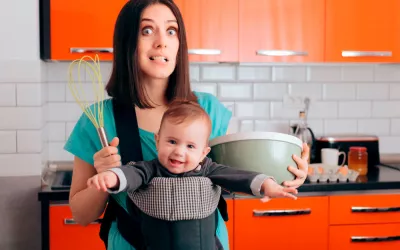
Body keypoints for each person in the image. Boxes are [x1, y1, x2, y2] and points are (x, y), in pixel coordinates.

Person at [64, 0, 310, 249]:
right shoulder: (99, 121)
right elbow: (82, 216)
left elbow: (231, 176)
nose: (162, 42)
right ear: (128, 42)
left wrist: (284, 173)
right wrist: (104, 178)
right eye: (147, 30)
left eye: (171, 31)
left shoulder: (207, 109)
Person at [86, 100, 298, 249]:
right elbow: (130, 174)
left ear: (203, 153)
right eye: (172, 142)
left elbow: (236, 176)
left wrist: (267, 185)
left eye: (190, 146)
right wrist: (111, 177)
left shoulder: (208, 169)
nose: (179, 151)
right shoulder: (149, 169)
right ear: (157, 140)